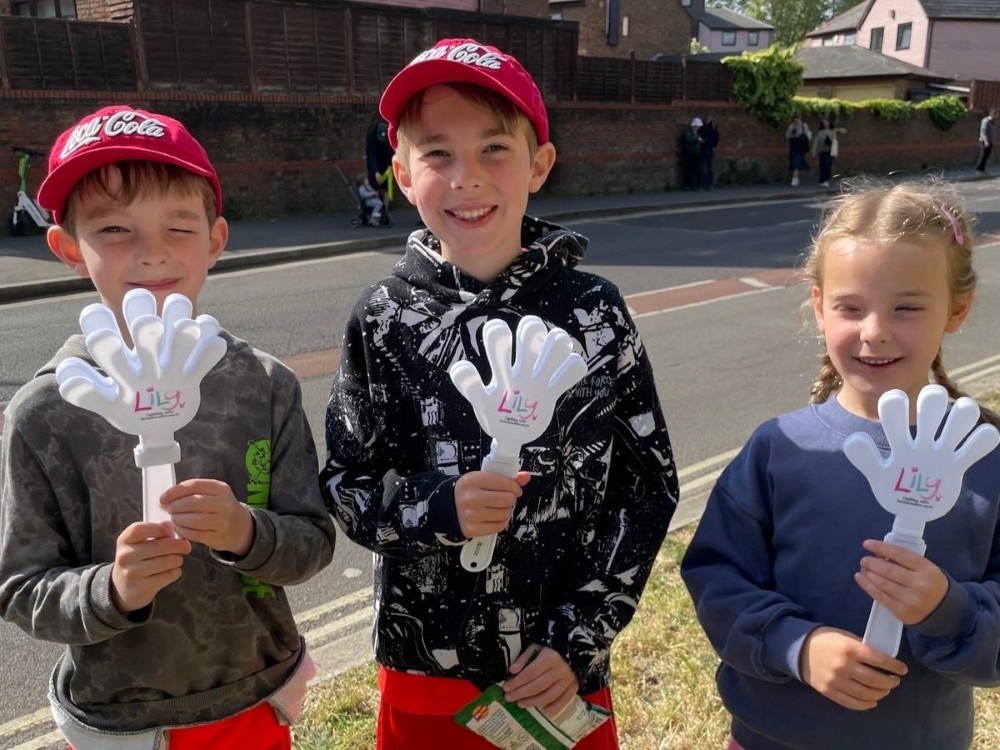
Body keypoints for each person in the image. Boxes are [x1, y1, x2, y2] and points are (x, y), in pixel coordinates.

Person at [321, 38, 678, 750]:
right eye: (437, 154)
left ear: (539, 164)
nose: (466, 179)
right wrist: (437, 504)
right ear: (400, 171)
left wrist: (578, 638)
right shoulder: (383, 318)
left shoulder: (594, 314)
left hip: (556, 682)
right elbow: (346, 484)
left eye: (493, 150)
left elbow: (647, 490)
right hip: (426, 675)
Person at [0, 105, 337, 750]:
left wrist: (245, 530)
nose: (152, 253)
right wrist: (114, 588)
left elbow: (313, 541)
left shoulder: (263, 386)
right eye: (116, 228)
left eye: (179, 227)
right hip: (121, 718)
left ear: (215, 239)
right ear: (69, 246)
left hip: (256, 696)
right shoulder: (45, 413)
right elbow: (22, 589)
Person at [681, 180, 1000, 750]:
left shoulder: (985, 459)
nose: (874, 331)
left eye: (906, 307)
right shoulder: (780, 449)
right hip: (768, 738)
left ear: (957, 309)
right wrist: (795, 646)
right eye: (851, 308)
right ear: (819, 308)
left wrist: (946, 610)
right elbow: (717, 578)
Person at [812, 116, 846, 188]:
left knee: (827, 166)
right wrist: (814, 152)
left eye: (826, 123)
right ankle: (822, 180)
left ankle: (826, 180)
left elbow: (839, 130)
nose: (825, 124)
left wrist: (842, 130)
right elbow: (816, 143)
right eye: (824, 123)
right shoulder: (820, 133)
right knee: (822, 166)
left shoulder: (832, 131)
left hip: (829, 152)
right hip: (822, 151)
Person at [785, 113, 811, 186]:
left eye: (798, 118)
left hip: (800, 147)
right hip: (793, 146)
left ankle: (795, 179)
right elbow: (787, 136)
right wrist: (794, 135)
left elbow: (805, 135)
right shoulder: (791, 126)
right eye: (795, 118)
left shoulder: (804, 125)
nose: (797, 120)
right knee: (792, 161)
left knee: (796, 161)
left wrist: (800, 126)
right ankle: (796, 178)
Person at [680, 116, 703, 190]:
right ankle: (688, 185)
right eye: (698, 126)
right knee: (688, 170)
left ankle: (694, 185)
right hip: (689, 153)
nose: (698, 128)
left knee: (695, 170)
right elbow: (688, 139)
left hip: (696, 153)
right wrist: (697, 139)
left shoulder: (696, 132)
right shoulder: (688, 131)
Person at [699, 114, 719, 190]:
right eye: (705, 119)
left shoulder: (713, 127)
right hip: (703, 149)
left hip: (710, 149)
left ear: (710, 119)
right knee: (702, 168)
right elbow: (699, 136)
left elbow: (717, 137)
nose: (706, 121)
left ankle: (710, 184)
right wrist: (701, 141)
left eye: (708, 119)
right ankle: (703, 184)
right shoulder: (702, 128)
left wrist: (714, 146)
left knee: (710, 168)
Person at [975, 108, 998, 176]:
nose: (997, 117)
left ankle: (982, 170)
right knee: (983, 156)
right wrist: (986, 141)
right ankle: (979, 170)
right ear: (992, 114)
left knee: (986, 156)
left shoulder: (993, 122)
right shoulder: (986, 121)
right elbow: (983, 132)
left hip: (990, 142)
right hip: (984, 141)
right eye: (996, 115)